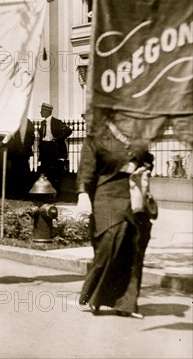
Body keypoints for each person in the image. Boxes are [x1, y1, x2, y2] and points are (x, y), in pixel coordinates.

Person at [77, 114, 154, 318]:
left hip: (133, 197)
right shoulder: (97, 136)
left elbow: (147, 159)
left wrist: (144, 168)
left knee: (134, 246)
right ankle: (92, 296)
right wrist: (83, 193)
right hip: (107, 196)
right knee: (108, 243)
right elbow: (86, 168)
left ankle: (126, 304)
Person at [37, 102, 72, 189]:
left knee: (54, 170)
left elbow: (68, 130)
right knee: (45, 170)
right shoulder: (42, 123)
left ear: (47, 111)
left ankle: (55, 189)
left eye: (42, 110)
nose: (40, 112)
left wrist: (57, 138)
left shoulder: (57, 122)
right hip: (44, 149)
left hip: (53, 148)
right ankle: (46, 191)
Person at [6, 118, 35, 199]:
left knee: (24, 173)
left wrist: (25, 147)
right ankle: (16, 193)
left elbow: (31, 137)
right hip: (14, 152)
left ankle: (25, 193)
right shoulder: (13, 121)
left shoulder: (27, 122)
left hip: (23, 152)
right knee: (14, 173)